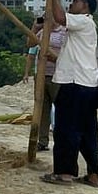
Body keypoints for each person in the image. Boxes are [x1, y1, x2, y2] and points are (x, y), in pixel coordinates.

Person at [40, 0, 98, 188]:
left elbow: (59, 17)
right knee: (87, 130)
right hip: (86, 83)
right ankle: (94, 174)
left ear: (85, 7)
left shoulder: (82, 21)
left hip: (74, 83)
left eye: (75, 1)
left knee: (66, 129)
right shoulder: (85, 26)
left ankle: (65, 172)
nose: (71, 4)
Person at [26, 15, 66, 151]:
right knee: (42, 109)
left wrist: (55, 58)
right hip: (41, 75)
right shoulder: (42, 32)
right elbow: (30, 44)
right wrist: (35, 28)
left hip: (58, 75)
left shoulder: (63, 31)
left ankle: (61, 141)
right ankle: (42, 141)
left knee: (61, 109)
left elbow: (68, 53)